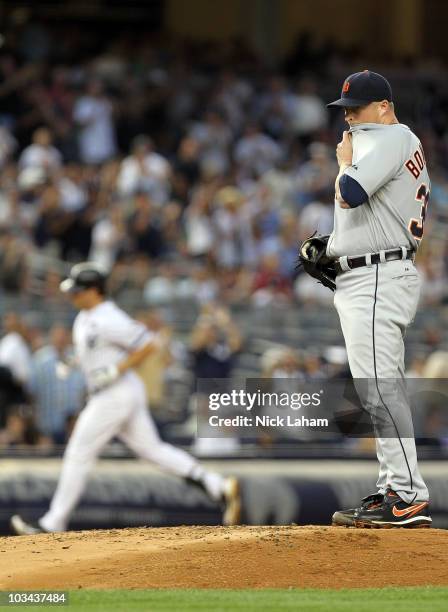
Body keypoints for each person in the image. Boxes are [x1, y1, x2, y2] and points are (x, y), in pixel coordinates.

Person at [11, 263, 240, 535]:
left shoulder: (109, 316)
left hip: (116, 392)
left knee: (78, 452)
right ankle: (219, 486)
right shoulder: (85, 316)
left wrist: (116, 369)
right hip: (116, 392)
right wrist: (72, 362)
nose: (72, 295)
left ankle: (52, 523)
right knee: (153, 451)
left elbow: (148, 343)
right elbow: (92, 348)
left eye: (78, 290)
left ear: (95, 291)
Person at [327, 71, 431, 528]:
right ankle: (395, 487)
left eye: (358, 107)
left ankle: (407, 493)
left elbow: (351, 193)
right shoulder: (386, 142)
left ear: (384, 107)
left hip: (377, 276)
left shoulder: (391, 136)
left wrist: (344, 162)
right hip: (370, 272)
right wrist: (330, 252)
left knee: (379, 387)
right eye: (346, 108)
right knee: (375, 387)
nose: (349, 116)